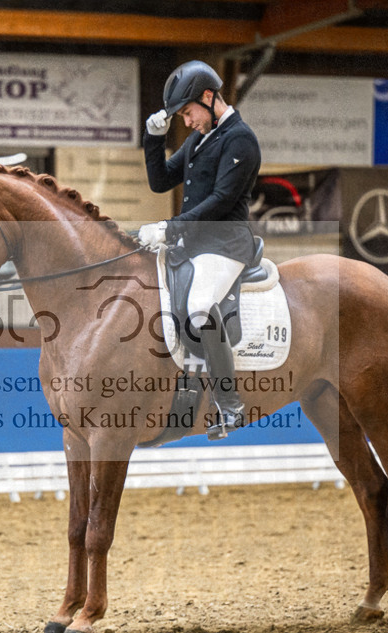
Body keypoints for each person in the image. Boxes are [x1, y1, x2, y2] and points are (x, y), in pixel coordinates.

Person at [139, 60, 262, 438]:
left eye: (188, 113)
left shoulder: (240, 139)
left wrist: (169, 227)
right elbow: (160, 182)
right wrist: (153, 140)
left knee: (199, 307)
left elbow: (223, 199)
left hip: (226, 244)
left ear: (209, 98)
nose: (187, 122)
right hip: (193, 244)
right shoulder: (199, 139)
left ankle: (230, 405)